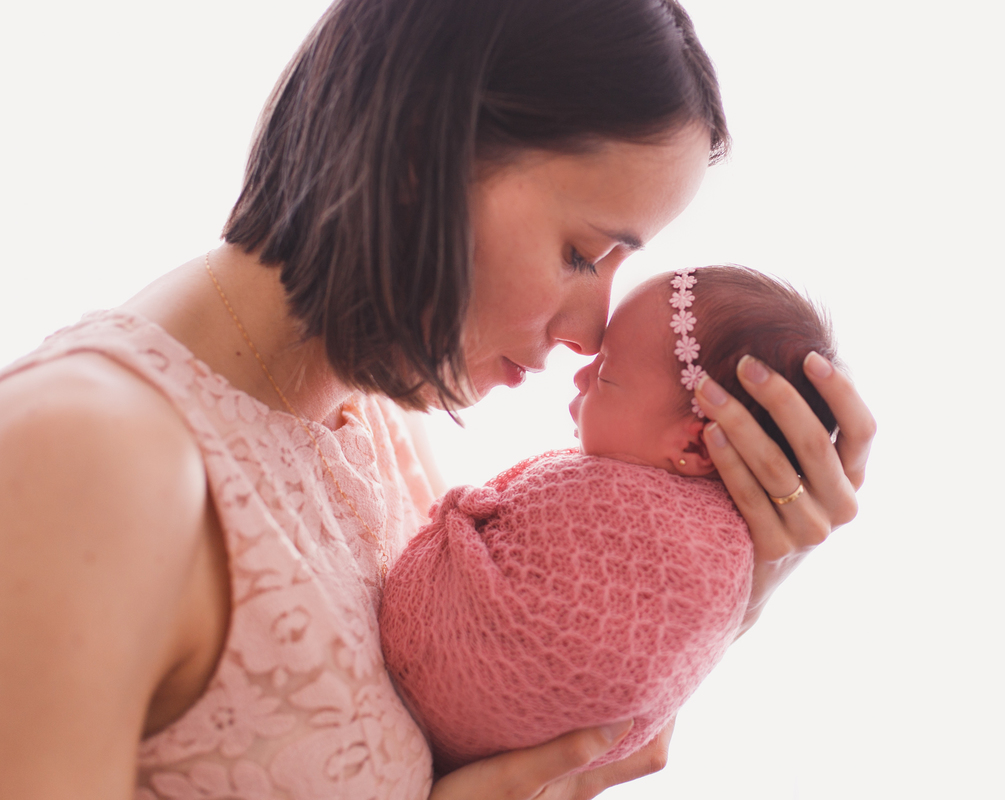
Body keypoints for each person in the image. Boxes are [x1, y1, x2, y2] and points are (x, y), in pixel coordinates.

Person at [0, 0, 875, 798]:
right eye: (581, 253)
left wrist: (732, 576)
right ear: (423, 154)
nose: (590, 331)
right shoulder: (88, 460)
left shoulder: (376, 422)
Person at [381, 265, 840, 776]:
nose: (580, 372)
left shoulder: (644, 519)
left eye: (603, 376)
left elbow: (626, 661)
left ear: (694, 446)